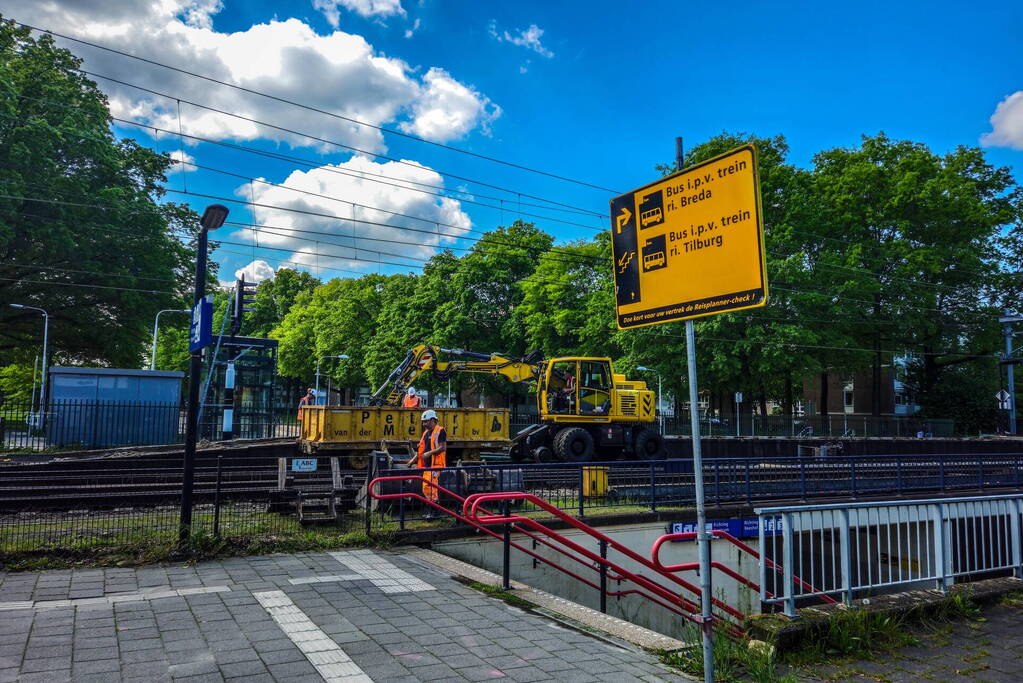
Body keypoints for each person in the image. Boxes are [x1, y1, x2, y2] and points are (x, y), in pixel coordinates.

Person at [415, 409, 447, 516]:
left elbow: (443, 448)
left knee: (432, 489)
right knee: (426, 488)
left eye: (426, 421)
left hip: (436, 465)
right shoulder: (426, 433)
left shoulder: (440, 431)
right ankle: (431, 511)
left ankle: (435, 512)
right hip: (427, 466)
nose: (424, 424)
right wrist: (412, 461)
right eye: (423, 422)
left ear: (433, 420)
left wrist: (429, 453)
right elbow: (421, 450)